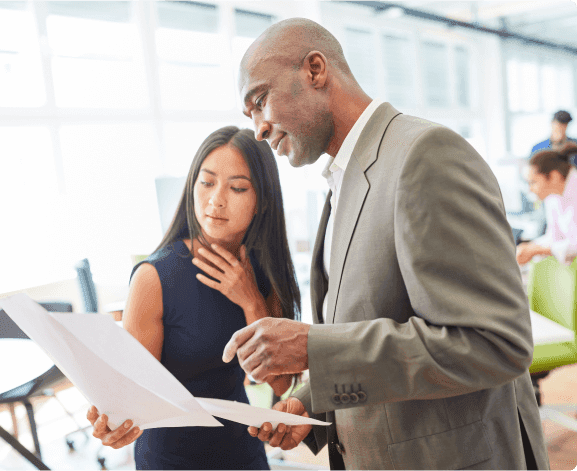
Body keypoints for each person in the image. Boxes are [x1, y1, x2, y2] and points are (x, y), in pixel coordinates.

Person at [223, 18, 550, 471]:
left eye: (259, 100)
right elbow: (376, 322)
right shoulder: (343, 177)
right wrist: (312, 401)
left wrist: (312, 348)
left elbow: (493, 343)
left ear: (315, 70)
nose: (258, 128)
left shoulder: (424, 155)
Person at [85, 126, 301, 470]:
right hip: (172, 458)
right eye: (207, 182)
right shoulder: (154, 278)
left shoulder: (264, 271)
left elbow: (281, 382)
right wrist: (112, 422)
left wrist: (251, 303)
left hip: (243, 452)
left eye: (238, 187)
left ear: (261, 200)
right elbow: (129, 397)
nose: (216, 199)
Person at [517, 147, 577, 265]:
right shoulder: (552, 196)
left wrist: (537, 250)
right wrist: (530, 247)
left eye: (533, 182)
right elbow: (554, 236)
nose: (530, 189)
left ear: (554, 176)